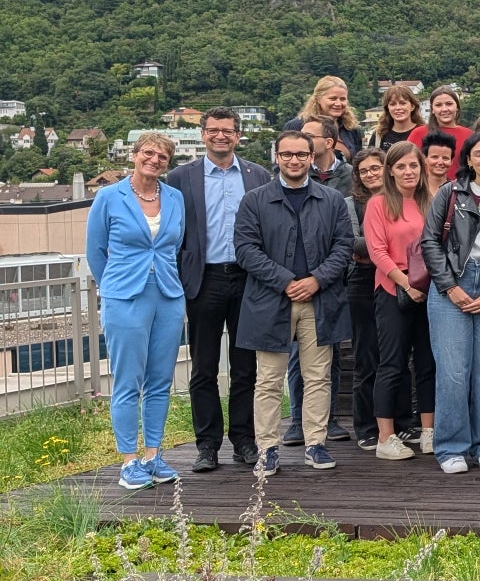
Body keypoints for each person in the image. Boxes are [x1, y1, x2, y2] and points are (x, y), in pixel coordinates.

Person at [234, 129, 354, 475]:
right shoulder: (255, 200)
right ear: (277, 157)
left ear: (311, 157)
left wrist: (316, 279)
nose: (294, 160)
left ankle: (315, 443)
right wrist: (285, 281)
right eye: (287, 154)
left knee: (317, 376)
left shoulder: (331, 200)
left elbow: (343, 246)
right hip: (270, 301)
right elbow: (245, 249)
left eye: (301, 154)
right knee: (268, 379)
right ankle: (267, 449)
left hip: (320, 299)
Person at [162, 108, 271, 471]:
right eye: (213, 130)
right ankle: (207, 445)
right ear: (203, 134)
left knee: (245, 367)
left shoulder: (258, 175)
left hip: (248, 279)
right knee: (204, 367)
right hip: (203, 278)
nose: (220, 136)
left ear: (239, 135)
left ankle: (244, 440)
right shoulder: (180, 177)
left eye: (227, 130)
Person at [87, 132, 186, 490]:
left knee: (160, 381)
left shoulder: (174, 197)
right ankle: (129, 460)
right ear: (134, 154)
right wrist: (115, 286)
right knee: (128, 381)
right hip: (125, 297)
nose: (155, 159)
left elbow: (177, 244)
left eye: (162, 156)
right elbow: (96, 252)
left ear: (168, 162)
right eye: (149, 152)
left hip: (168, 296)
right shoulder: (108, 197)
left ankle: (153, 455)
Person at [420, 132, 480, 475]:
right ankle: (451, 447)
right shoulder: (450, 193)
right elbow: (429, 242)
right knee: (453, 374)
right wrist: (450, 287)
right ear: (468, 159)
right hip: (453, 286)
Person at [363, 142, 433, 460]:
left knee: (427, 363)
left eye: (413, 166)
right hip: (394, 289)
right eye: (401, 166)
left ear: (421, 169)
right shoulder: (378, 204)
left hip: (430, 290)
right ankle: (385, 437)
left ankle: (429, 430)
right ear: (390, 170)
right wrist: (407, 283)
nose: (408, 172)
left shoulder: (430, 202)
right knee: (391, 363)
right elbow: (377, 251)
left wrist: (426, 286)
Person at [342, 150, 388, 448]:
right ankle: (366, 426)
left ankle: (397, 421)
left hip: (396, 280)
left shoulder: (402, 200)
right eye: (364, 171)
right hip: (361, 285)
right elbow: (352, 242)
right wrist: (387, 245)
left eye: (376, 168)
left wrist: (375, 248)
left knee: (395, 356)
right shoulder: (350, 204)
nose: (371, 174)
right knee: (366, 356)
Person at [286, 76, 362, 160]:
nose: (338, 103)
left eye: (342, 99)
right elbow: (283, 162)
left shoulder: (351, 129)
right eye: (333, 98)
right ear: (318, 99)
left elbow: (358, 164)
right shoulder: (297, 126)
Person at [300, 118, 354, 192]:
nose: (301, 141)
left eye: (308, 137)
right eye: (300, 136)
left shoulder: (351, 175)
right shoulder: (297, 171)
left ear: (328, 143)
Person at [372, 84, 425, 148]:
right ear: (387, 108)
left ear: (412, 106)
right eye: (393, 104)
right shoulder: (379, 135)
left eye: (403, 103)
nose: (398, 108)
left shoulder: (424, 133)